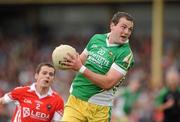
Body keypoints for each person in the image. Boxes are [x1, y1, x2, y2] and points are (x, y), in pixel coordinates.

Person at [62, 11, 135, 122]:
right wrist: (66, 57)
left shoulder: (126, 54)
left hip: (99, 108)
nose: (126, 32)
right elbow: (79, 61)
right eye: (123, 27)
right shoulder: (96, 39)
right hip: (75, 100)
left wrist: (80, 68)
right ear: (112, 25)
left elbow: (108, 83)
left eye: (130, 29)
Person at [0, 62, 64, 122]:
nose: (47, 76)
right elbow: (2, 101)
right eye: (44, 73)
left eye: (51, 74)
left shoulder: (58, 101)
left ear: (53, 79)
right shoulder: (21, 91)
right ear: (36, 76)